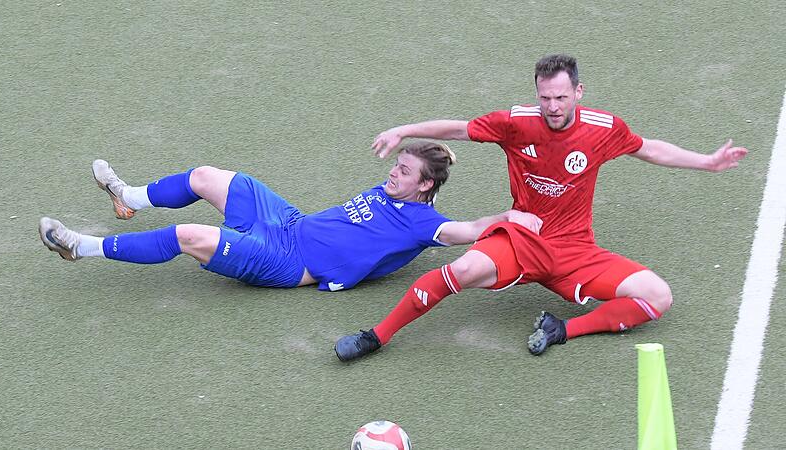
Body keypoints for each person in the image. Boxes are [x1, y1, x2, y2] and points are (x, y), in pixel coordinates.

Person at [335, 54, 748, 360]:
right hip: (521, 240)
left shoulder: (603, 130)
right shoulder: (517, 122)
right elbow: (459, 129)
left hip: (575, 250)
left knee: (658, 297)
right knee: (460, 270)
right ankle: (378, 336)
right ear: (537, 92)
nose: (552, 106)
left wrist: (707, 162)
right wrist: (402, 130)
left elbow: (650, 149)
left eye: (561, 97)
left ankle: (562, 329)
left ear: (578, 93)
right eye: (545, 96)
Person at [39, 140, 541, 291]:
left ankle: (79, 247)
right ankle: (128, 196)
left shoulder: (424, 223)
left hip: (289, 263)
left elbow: (470, 231)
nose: (393, 173)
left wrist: (516, 216)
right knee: (208, 176)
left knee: (189, 236)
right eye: (396, 165)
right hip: (288, 223)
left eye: (404, 171)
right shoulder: (400, 194)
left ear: (425, 185)